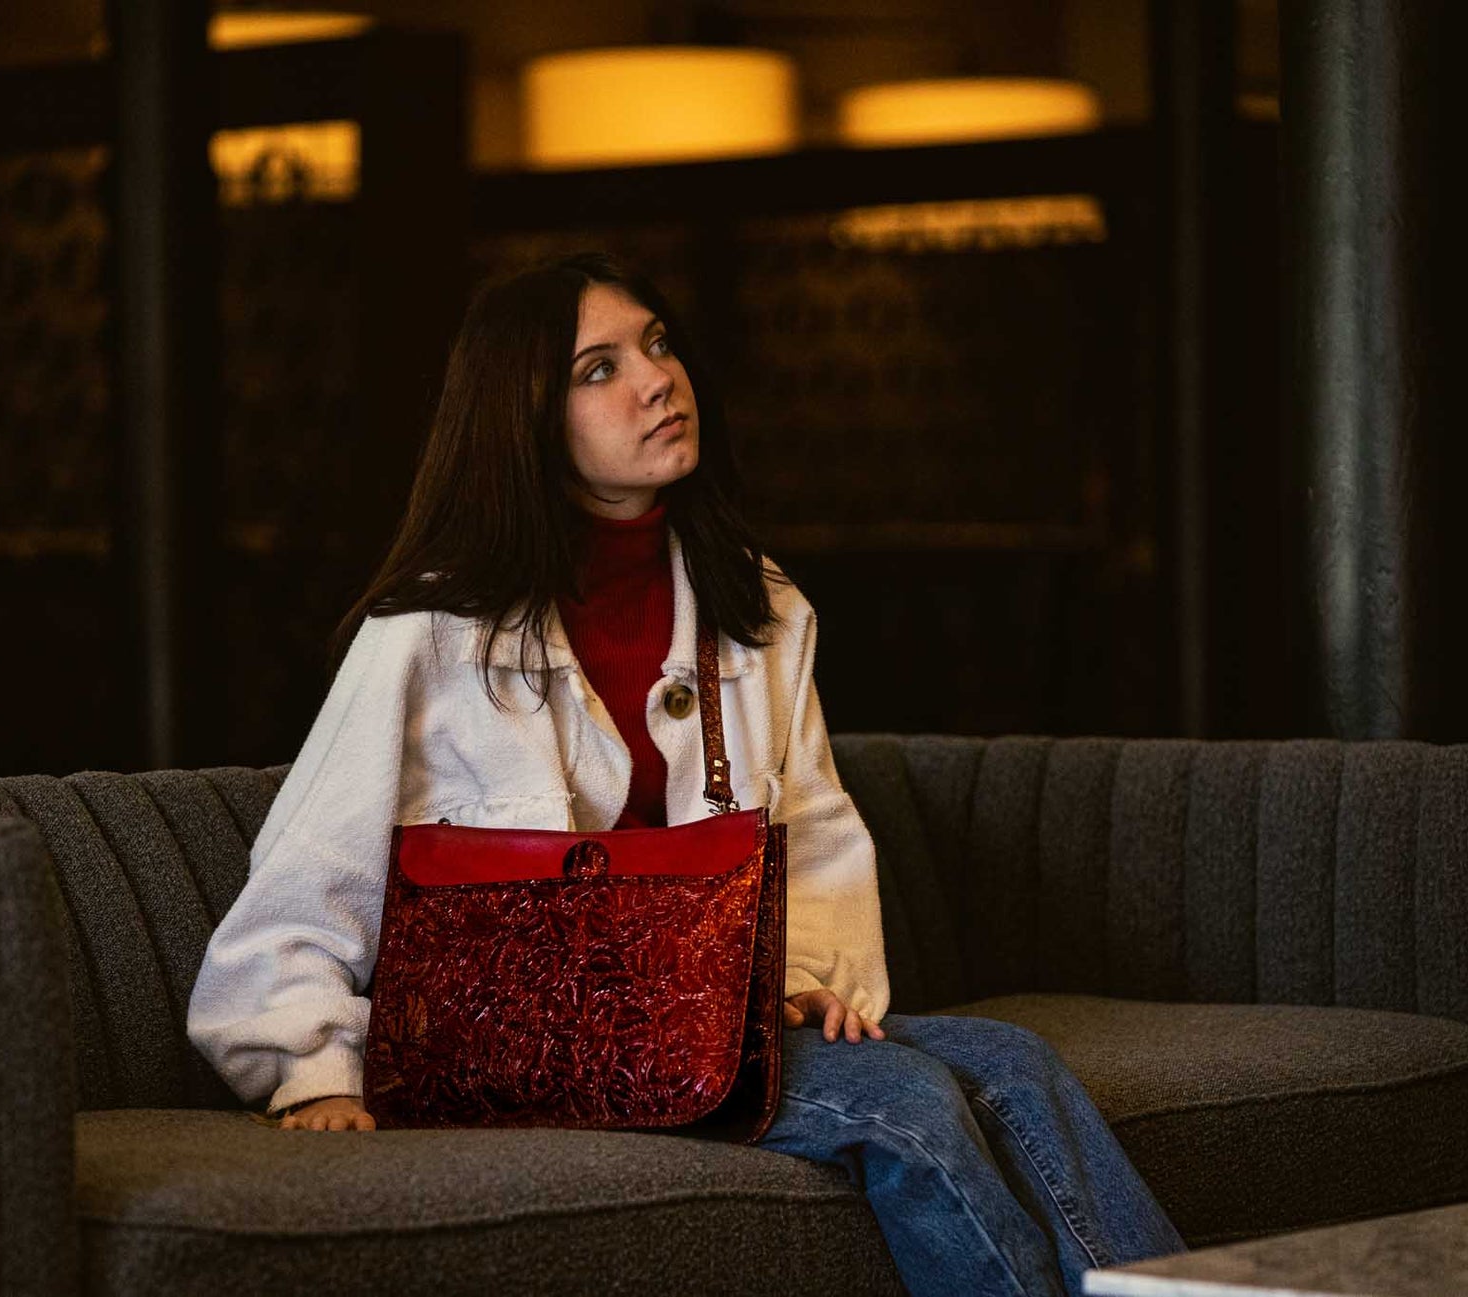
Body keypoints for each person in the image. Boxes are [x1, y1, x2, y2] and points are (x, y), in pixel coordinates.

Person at [187, 251, 1185, 1296]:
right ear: (521, 418)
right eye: (597, 369)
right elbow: (308, 870)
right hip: (516, 1041)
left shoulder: (755, 606)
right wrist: (307, 1072)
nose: (656, 379)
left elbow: (811, 821)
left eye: (657, 344)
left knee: (1019, 1067)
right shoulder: (436, 626)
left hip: (698, 1021)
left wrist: (805, 981)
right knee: (902, 1100)